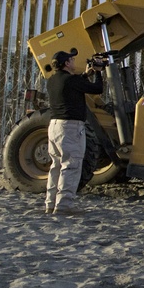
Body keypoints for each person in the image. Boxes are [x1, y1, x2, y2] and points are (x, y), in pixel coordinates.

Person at [45, 48, 104, 216]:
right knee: (71, 166)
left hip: (54, 126)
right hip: (70, 128)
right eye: (71, 60)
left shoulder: (53, 81)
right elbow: (97, 88)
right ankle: (64, 205)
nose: (74, 62)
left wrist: (86, 74)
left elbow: (74, 86)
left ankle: (50, 203)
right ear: (66, 64)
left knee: (56, 165)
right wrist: (98, 72)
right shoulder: (71, 81)